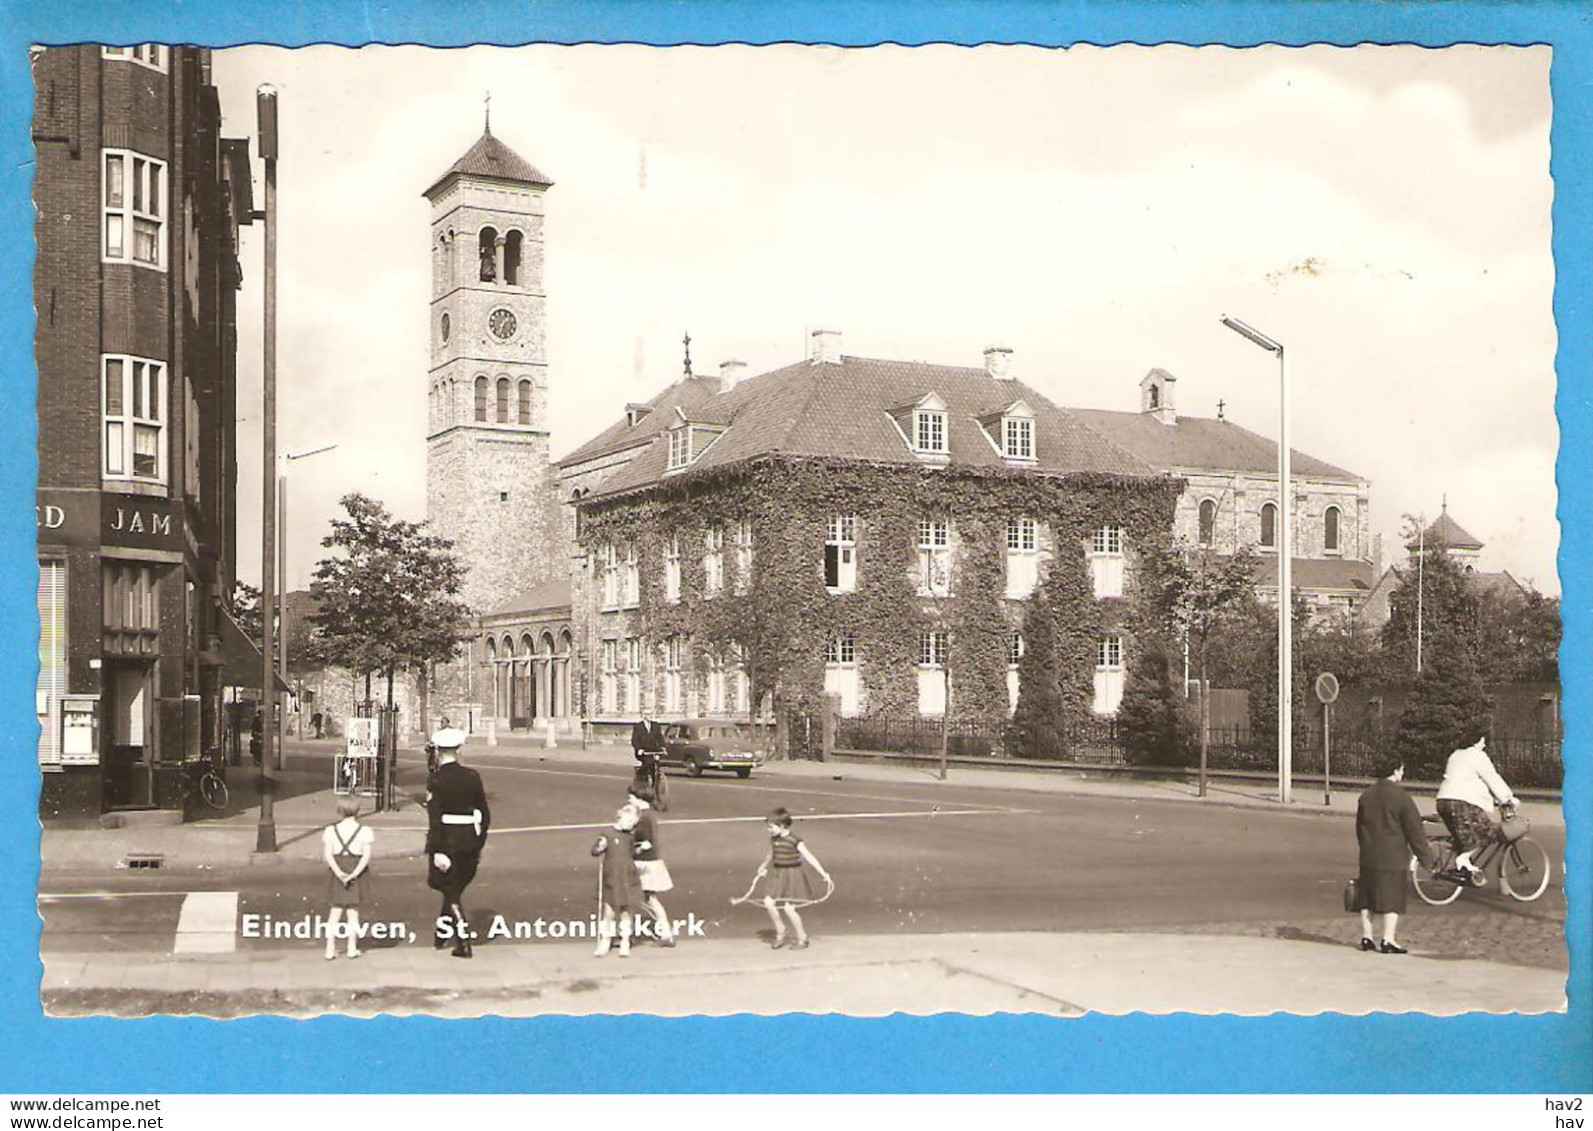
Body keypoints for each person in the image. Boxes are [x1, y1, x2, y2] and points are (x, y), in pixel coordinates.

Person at [1353, 754, 1438, 954]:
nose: (1402, 772)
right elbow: (1415, 832)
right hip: (1392, 856)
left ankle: (1367, 937)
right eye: (1401, 769)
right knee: (1392, 898)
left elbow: (1359, 828)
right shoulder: (1402, 798)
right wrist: (1428, 861)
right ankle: (1388, 939)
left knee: (1367, 897)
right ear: (1395, 771)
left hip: (1368, 855)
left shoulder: (1366, 796)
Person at [425, 727, 490, 959]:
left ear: (438, 752)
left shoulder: (436, 779)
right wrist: (479, 842)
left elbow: (435, 819)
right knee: (452, 889)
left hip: (448, 843)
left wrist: (437, 850)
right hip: (469, 843)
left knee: (450, 891)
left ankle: (463, 942)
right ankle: (441, 935)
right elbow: (485, 813)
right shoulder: (473, 776)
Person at [1436, 734, 1519, 885]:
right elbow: (1492, 778)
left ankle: (1466, 869)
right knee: (1487, 831)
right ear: (1478, 739)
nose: (1485, 744)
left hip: (1443, 801)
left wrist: (1492, 799)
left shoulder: (1456, 754)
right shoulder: (1477, 755)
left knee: (1464, 837)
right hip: (1462, 803)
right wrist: (1507, 799)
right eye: (1483, 741)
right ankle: (1463, 859)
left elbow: (1471, 782)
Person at [756, 808, 831, 950]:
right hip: (778, 874)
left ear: (783, 826)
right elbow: (771, 854)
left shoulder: (794, 839)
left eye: (771, 827)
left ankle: (802, 938)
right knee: (768, 902)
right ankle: (780, 931)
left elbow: (809, 856)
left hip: (793, 875)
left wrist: (823, 873)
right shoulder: (774, 839)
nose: (769, 830)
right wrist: (763, 867)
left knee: (789, 908)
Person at [321, 796, 374, 960]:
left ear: (339, 811)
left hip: (338, 870)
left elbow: (328, 856)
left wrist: (339, 873)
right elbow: (366, 857)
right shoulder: (365, 831)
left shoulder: (330, 831)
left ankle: (330, 949)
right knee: (353, 913)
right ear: (357, 810)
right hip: (355, 870)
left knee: (334, 912)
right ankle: (352, 948)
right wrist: (353, 874)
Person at [590, 804, 645, 958]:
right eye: (629, 821)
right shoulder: (607, 834)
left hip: (627, 875)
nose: (631, 825)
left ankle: (625, 941)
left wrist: (640, 849)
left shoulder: (630, 836)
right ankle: (605, 941)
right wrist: (599, 847)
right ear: (621, 817)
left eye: (633, 823)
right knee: (609, 912)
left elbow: (631, 852)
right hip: (612, 876)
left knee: (627, 911)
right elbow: (594, 851)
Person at [627, 783, 675, 947]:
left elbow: (644, 843)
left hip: (645, 863)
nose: (629, 799)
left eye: (632, 797)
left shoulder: (644, 818)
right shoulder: (647, 816)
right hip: (649, 862)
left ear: (639, 799)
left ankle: (662, 933)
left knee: (645, 899)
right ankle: (664, 933)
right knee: (648, 899)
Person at [631, 711, 667, 802]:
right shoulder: (638, 726)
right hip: (643, 751)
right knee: (647, 763)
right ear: (644, 716)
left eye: (651, 714)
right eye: (648, 715)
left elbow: (660, 738)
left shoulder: (656, 725)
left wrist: (663, 747)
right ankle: (641, 775)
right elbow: (635, 740)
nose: (650, 716)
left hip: (653, 750)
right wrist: (639, 749)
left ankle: (656, 787)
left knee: (656, 766)